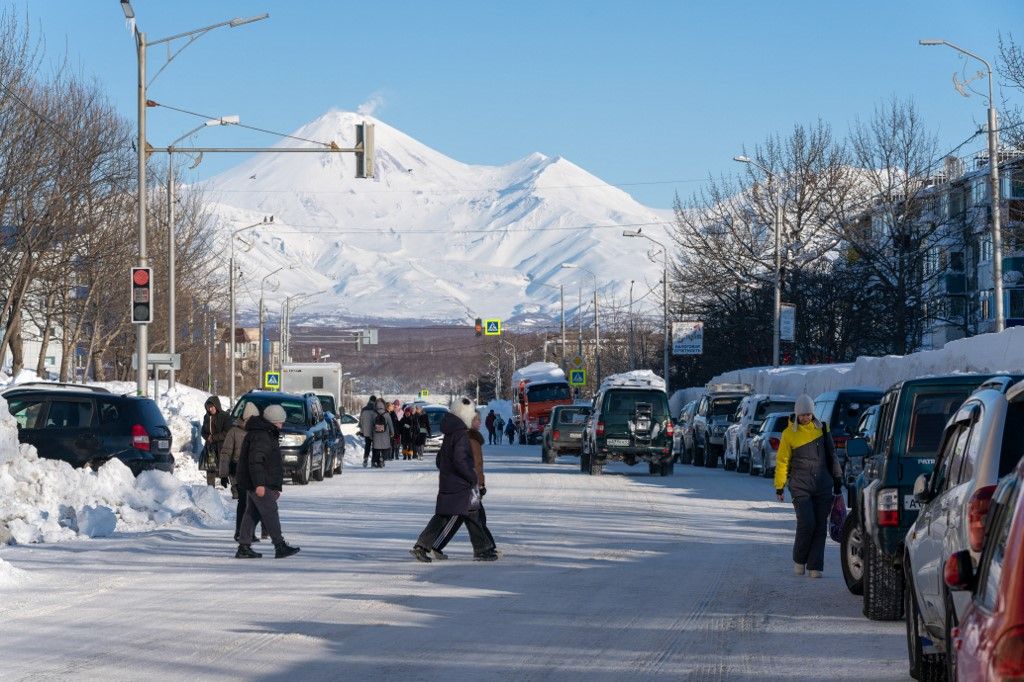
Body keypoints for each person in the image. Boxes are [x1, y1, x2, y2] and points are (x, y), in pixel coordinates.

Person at [410, 397, 497, 562]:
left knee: (470, 514)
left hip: (451, 482)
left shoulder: (451, 432)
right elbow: (460, 460)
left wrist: (447, 470)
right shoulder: (461, 434)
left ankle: (483, 549)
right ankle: (423, 546)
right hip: (460, 484)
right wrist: (471, 477)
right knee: (456, 515)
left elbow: (440, 459)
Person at [774, 394, 841, 579]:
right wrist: (779, 487)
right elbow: (782, 461)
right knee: (807, 523)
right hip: (800, 486)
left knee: (820, 526)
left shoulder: (823, 429)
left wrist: (837, 478)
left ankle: (815, 566)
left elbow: (832, 455)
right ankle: (799, 559)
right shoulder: (789, 434)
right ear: (797, 414)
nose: (806, 418)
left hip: (823, 485)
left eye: (809, 414)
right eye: (802, 414)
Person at [235, 404, 300, 560]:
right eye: (280, 422)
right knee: (270, 512)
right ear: (274, 421)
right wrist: (259, 484)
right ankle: (280, 546)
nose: (282, 425)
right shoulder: (262, 435)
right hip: (261, 481)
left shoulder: (264, 432)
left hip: (262, 480)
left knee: (252, 512)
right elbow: (256, 461)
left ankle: (244, 547)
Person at [433, 412, 497, 558]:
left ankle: (487, 547)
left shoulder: (471, 437)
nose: (479, 422)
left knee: (476, 515)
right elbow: (471, 465)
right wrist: (478, 483)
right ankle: (483, 549)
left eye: (480, 419)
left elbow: (476, 465)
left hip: (467, 483)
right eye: (476, 420)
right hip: (466, 484)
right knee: (468, 516)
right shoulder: (468, 438)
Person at [218, 402, 265, 542]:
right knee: (244, 500)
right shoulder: (234, 432)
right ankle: (239, 531)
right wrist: (223, 474)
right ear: (246, 418)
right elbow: (225, 453)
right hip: (238, 470)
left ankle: (249, 532)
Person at [201, 396, 232, 487]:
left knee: (226, 468)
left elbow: (227, 432)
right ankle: (210, 490)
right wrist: (208, 437)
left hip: (223, 446)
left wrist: (214, 437)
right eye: (208, 408)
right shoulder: (207, 417)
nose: (210, 409)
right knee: (210, 469)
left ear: (216, 405)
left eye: (212, 407)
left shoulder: (225, 416)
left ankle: (234, 492)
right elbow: (203, 432)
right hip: (210, 448)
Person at [370, 399, 395, 468]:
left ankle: (376, 461)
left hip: (376, 435)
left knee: (376, 449)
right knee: (384, 448)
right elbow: (390, 425)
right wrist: (392, 433)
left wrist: (370, 435)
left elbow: (371, 425)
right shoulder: (386, 414)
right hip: (385, 435)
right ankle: (382, 460)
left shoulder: (373, 414)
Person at [359, 395, 378, 468]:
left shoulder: (364, 409)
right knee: (375, 446)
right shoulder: (376, 409)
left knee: (367, 445)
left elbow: (361, 421)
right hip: (375, 431)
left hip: (366, 431)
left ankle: (365, 459)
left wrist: (361, 431)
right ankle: (373, 461)